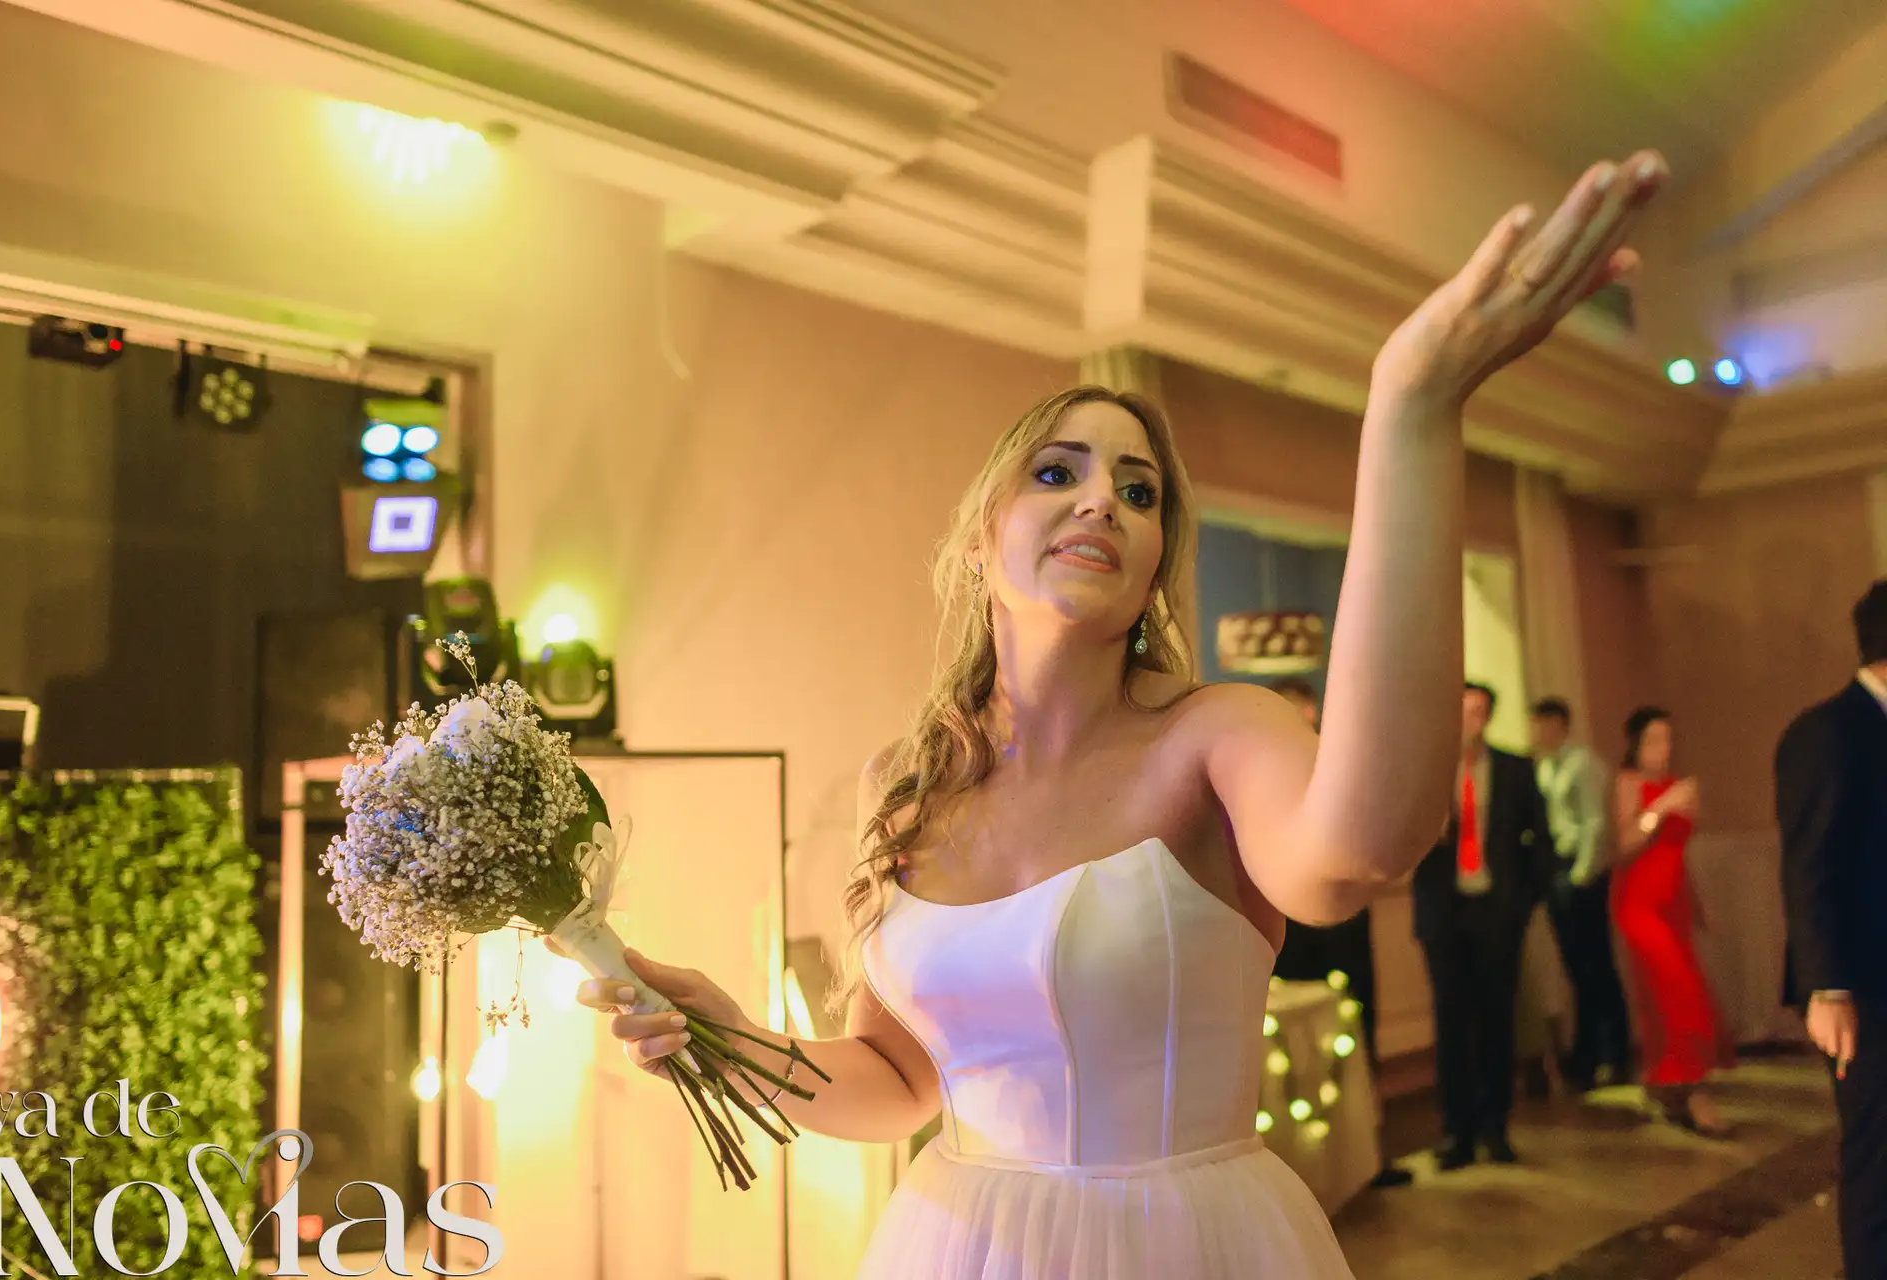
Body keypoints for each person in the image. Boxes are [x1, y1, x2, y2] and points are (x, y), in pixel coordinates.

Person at [585, 152, 1669, 1276]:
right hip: (958, 1243)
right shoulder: (902, 783)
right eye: (1058, 474)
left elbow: (1363, 846)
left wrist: (1414, 407)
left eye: (1137, 490)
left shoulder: (1216, 735)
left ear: (1153, 567)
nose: (1102, 497)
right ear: (979, 541)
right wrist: (734, 1039)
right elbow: (899, 1082)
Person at [1777, 580, 1887, 1280]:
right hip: (1864, 984)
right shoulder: (1828, 731)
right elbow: (1808, 864)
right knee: (1879, 1155)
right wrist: (1828, 987)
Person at [1269, 678, 1414, 1189]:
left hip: (1345, 925)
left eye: (1301, 710)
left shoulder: (1343, 767)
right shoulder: (1262, 775)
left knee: (1357, 1035)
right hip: (1290, 928)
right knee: (1294, 1044)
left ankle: (1366, 1156)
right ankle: (1302, 1167)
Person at [1412, 681, 1555, 1170]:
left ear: (1488, 718)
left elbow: (1540, 837)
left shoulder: (1514, 768)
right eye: (1461, 710)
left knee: (1497, 1018)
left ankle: (1496, 1124)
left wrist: (1523, 901)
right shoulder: (1428, 771)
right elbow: (1399, 835)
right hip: (1444, 911)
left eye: (1478, 711)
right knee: (1451, 1021)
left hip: (1496, 910)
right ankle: (1456, 1131)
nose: (1469, 720)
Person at [1610, 706, 1725, 1136]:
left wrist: (1699, 904)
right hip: (1640, 902)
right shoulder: (1629, 784)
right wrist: (1661, 808)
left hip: (1673, 899)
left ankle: (1664, 1084)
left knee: (1669, 995)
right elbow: (1624, 845)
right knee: (1678, 992)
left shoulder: (1676, 785)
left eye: (1668, 740)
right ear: (1636, 745)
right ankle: (1694, 1091)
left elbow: (1678, 854)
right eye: (1654, 740)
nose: (1664, 749)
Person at [1531, 696, 1630, 1088]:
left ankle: (1613, 1051)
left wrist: (1581, 875)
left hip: (1580, 870)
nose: (1539, 733)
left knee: (1595, 963)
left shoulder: (1583, 764)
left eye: (1545, 724)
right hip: (1558, 868)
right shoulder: (1545, 767)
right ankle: (1587, 1051)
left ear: (1561, 725)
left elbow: (1593, 822)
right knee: (1576, 966)